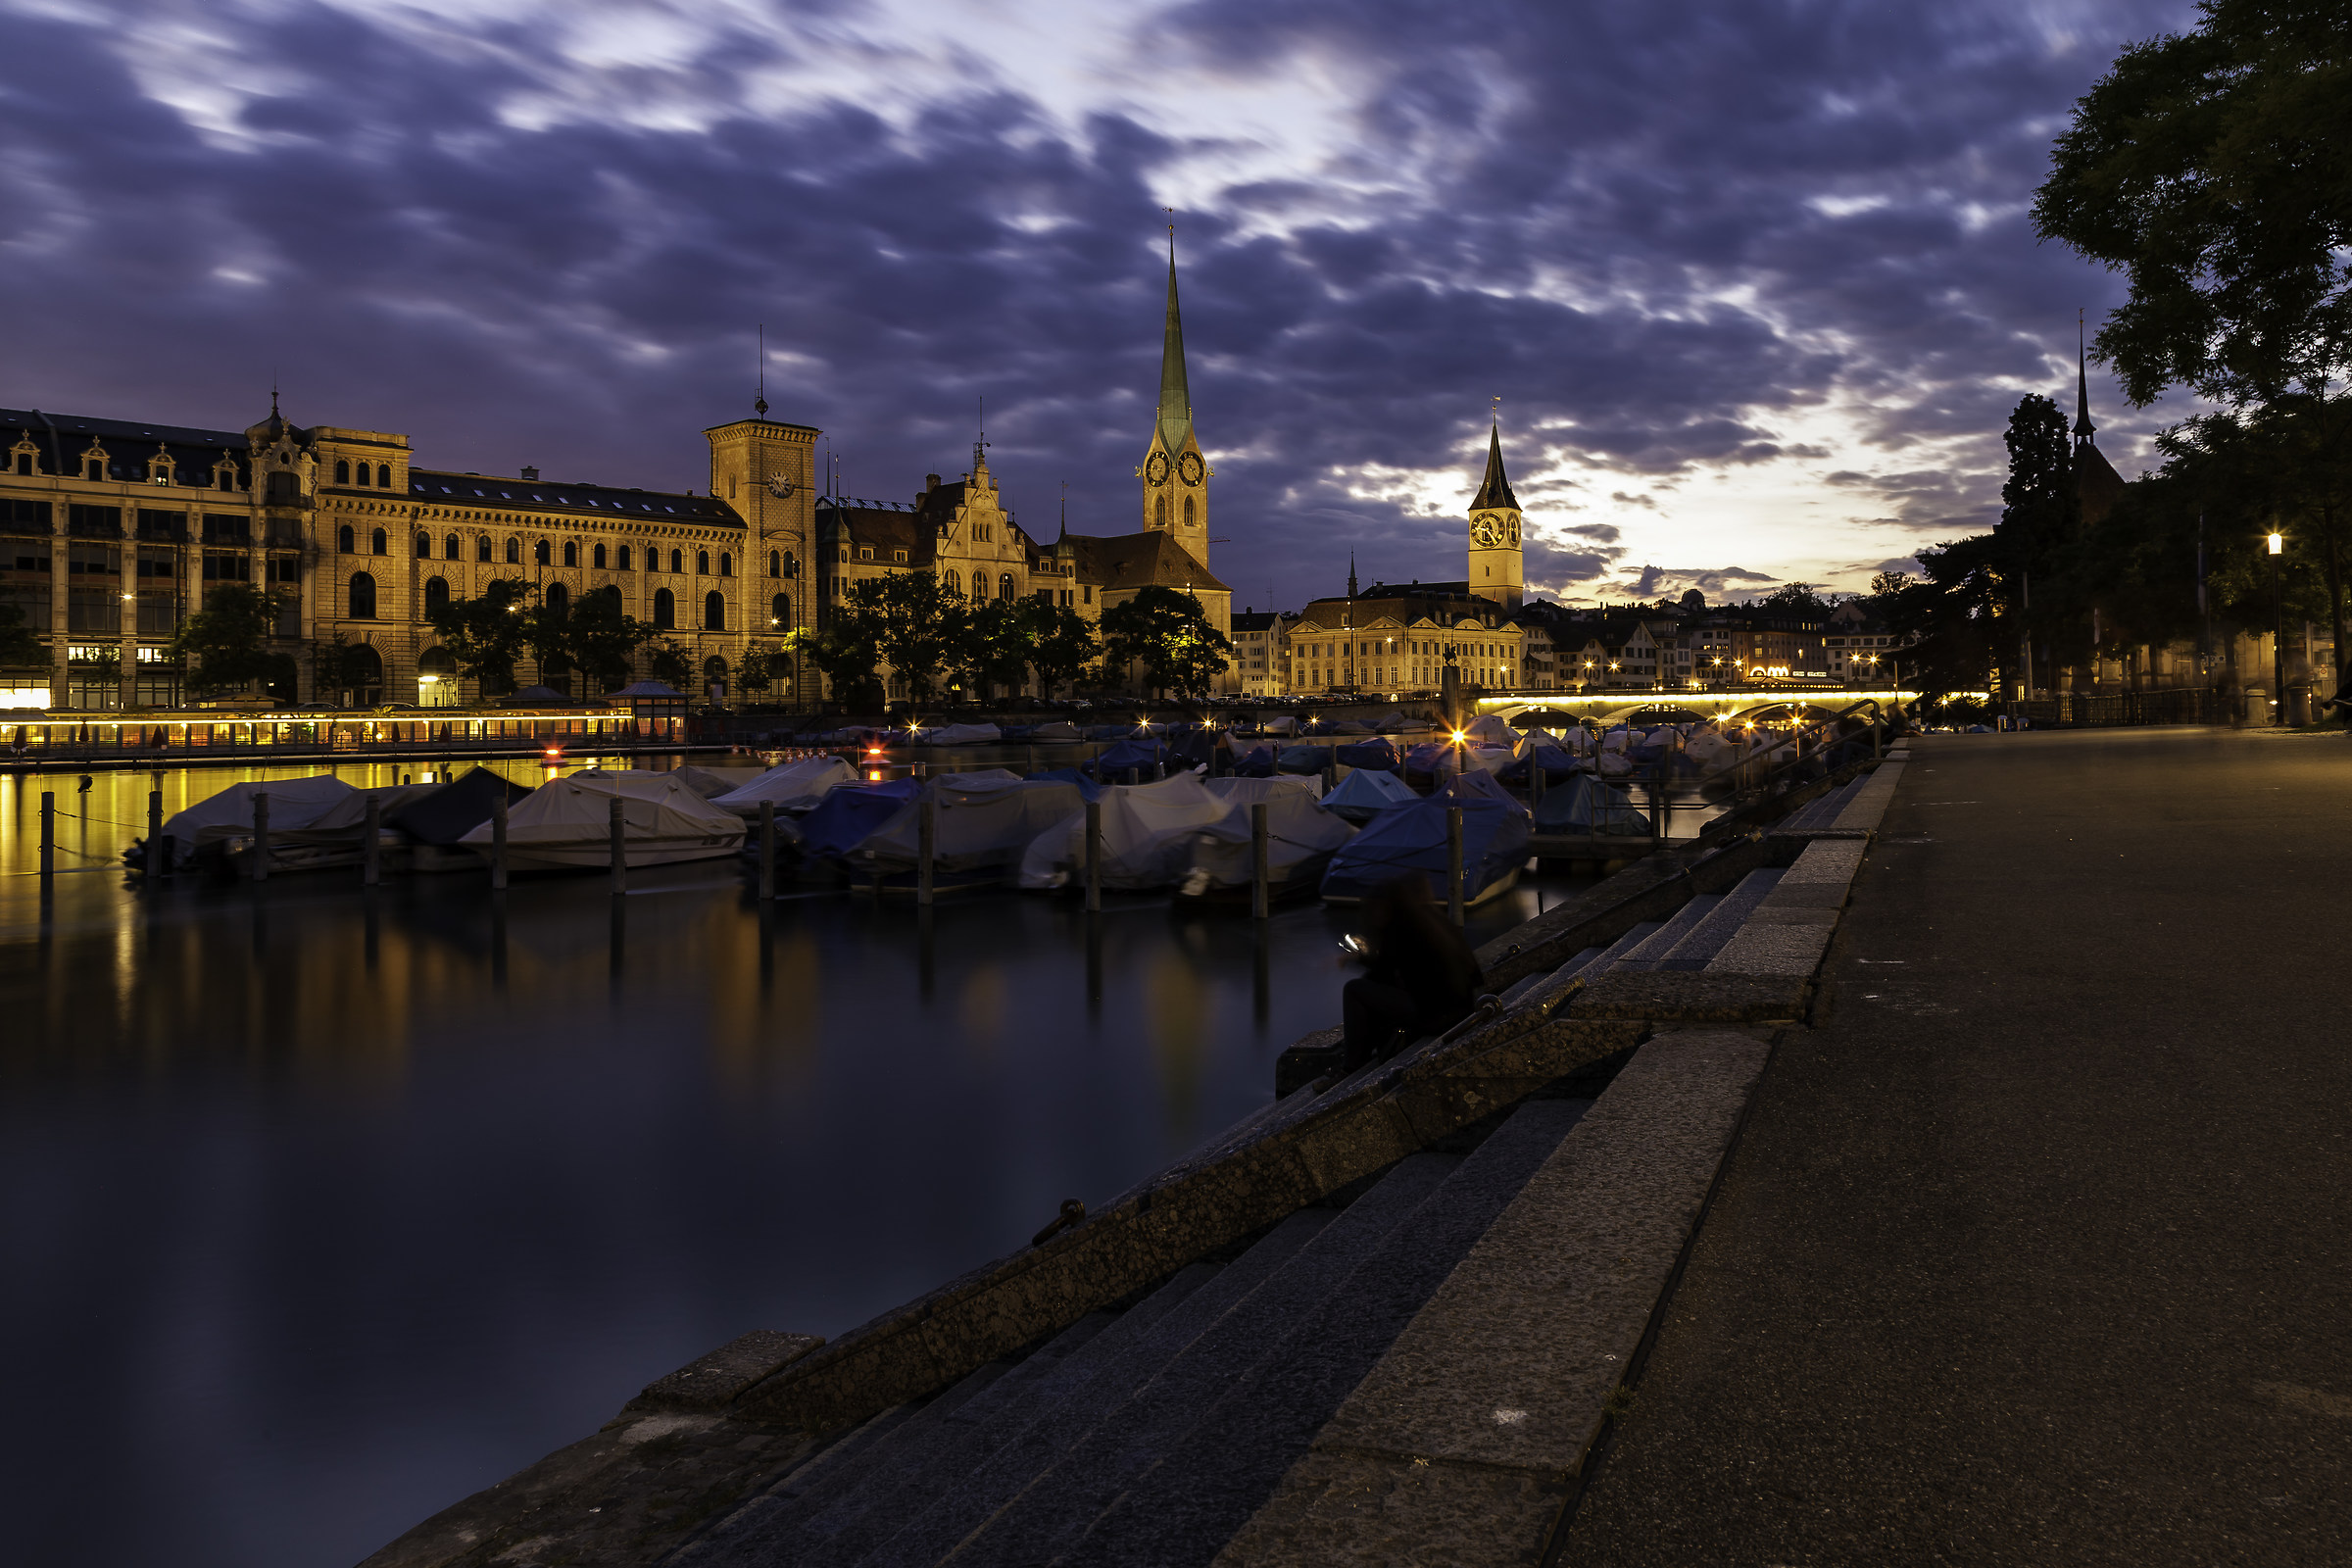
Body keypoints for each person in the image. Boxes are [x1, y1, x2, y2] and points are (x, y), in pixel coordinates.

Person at [1340, 874, 1484, 1073]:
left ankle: (1351, 1065)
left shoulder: (1400, 928)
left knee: (1354, 989)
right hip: (1463, 1007)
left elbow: (1381, 973)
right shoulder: (1434, 919)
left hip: (1438, 1016)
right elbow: (1475, 974)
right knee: (1377, 991)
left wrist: (1356, 959)